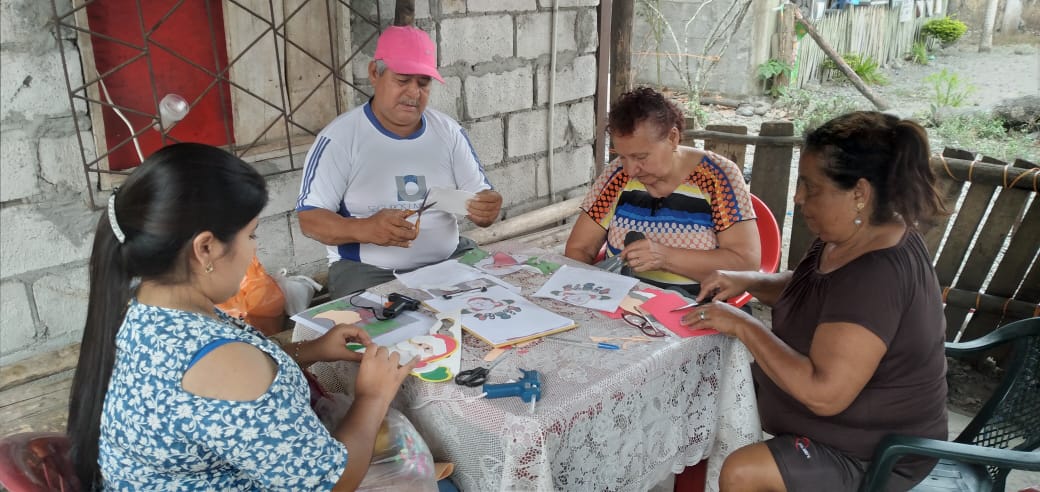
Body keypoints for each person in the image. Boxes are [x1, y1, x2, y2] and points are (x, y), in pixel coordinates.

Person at [67, 143, 418, 490]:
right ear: (205, 248)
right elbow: (333, 482)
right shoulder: (222, 361)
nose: (254, 248)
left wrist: (312, 350)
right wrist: (373, 397)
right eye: (251, 234)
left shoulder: (143, 309)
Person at [683, 111, 949, 491]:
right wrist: (746, 281)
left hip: (874, 454)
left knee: (743, 472)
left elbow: (824, 395)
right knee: (705, 386)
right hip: (840, 427)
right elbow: (812, 289)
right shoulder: (850, 237)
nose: (799, 196)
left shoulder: (876, 275)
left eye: (811, 186)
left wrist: (743, 325)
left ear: (859, 194)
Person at [297, 25, 502, 299]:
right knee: (379, 325)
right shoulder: (340, 139)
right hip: (369, 270)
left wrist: (487, 208)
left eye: (423, 83)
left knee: (501, 303)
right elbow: (310, 219)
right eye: (403, 80)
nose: (414, 93)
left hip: (449, 258)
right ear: (374, 73)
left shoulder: (449, 132)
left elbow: (482, 197)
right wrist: (365, 229)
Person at [564, 87, 760, 296]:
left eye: (641, 157)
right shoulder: (616, 175)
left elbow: (745, 264)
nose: (630, 170)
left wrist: (665, 258)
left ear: (672, 138)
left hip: (694, 306)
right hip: (618, 301)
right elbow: (579, 248)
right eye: (622, 157)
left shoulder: (717, 177)